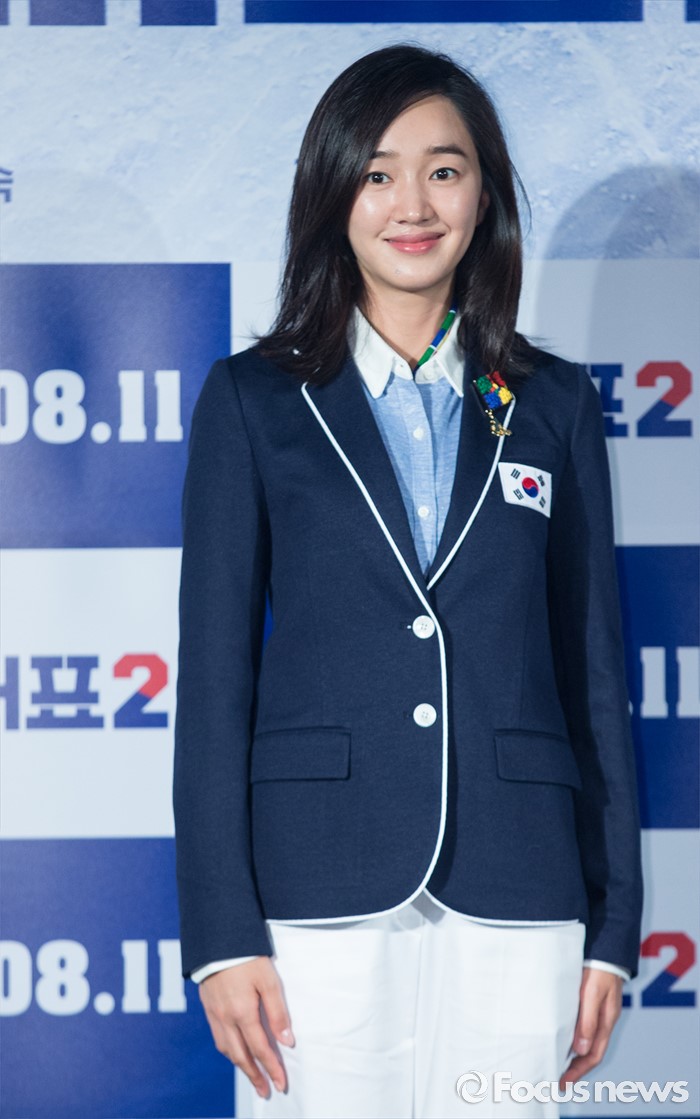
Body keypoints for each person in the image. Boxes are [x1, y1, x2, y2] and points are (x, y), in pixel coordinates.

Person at [173, 44, 643, 1119]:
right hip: (316, 892)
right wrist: (222, 935)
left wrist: (611, 930)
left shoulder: (555, 403)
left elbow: (592, 674)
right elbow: (213, 686)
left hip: (520, 887)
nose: (413, 205)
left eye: (444, 169)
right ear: (333, 192)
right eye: (378, 173)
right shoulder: (253, 400)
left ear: (484, 194)